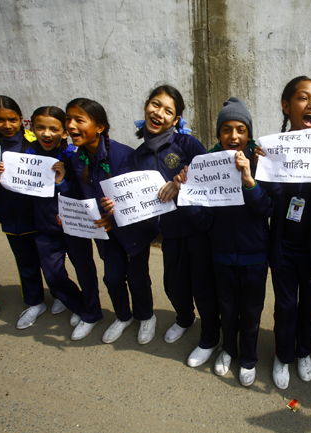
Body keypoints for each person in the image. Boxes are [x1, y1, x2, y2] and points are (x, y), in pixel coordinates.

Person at [114, 85, 220, 367]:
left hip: (199, 230)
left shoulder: (187, 145)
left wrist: (182, 185)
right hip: (169, 234)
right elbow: (134, 196)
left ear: (176, 120)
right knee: (174, 287)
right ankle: (185, 318)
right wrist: (117, 205)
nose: (159, 113)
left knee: (203, 287)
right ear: (146, 105)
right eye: (155, 105)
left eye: (168, 111)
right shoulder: (137, 156)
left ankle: (210, 338)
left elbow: (210, 182)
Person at [175, 97, 272, 385]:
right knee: (227, 308)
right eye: (227, 129)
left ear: (248, 134)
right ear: (218, 134)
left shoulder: (260, 162)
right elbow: (204, 221)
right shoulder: (206, 166)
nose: (234, 136)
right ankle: (228, 350)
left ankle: (249, 357)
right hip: (222, 255)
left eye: (240, 130)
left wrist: (248, 180)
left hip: (255, 256)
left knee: (252, 311)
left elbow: (267, 209)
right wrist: (187, 195)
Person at [259, 76, 311, 389]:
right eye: (303, 98)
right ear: (286, 105)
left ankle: (304, 351)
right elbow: (268, 204)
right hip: (283, 246)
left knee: (310, 307)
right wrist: (265, 170)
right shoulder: (273, 152)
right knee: (285, 307)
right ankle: (283, 356)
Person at [66, 98, 157, 345]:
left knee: (137, 278)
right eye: (68, 120)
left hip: (133, 233)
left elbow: (138, 201)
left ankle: (146, 316)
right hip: (105, 235)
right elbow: (77, 194)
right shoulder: (76, 159)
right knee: (113, 278)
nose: (71, 126)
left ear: (100, 127)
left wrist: (113, 218)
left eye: (79, 120)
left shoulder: (123, 156)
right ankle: (123, 316)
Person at [22, 106, 102, 339]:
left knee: (85, 271)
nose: (47, 134)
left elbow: (83, 191)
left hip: (74, 225)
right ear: (32, 129)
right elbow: (21, 188)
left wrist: (62, 181)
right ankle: (78, 304)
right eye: (40, 128)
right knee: (54, 276)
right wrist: (5, 175)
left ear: (64, 132)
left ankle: (91, 313)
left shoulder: (73, 158)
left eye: (53, 129)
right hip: (45, 227)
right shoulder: (27, 158)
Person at [0, 95, 43, 328]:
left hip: (38, 218)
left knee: (51, 264)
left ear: (21, 119)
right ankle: (35, 302)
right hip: (11, 219)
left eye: (12, 119)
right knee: (25, 263)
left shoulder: (35, 147)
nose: (7, 125)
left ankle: (61, 297)